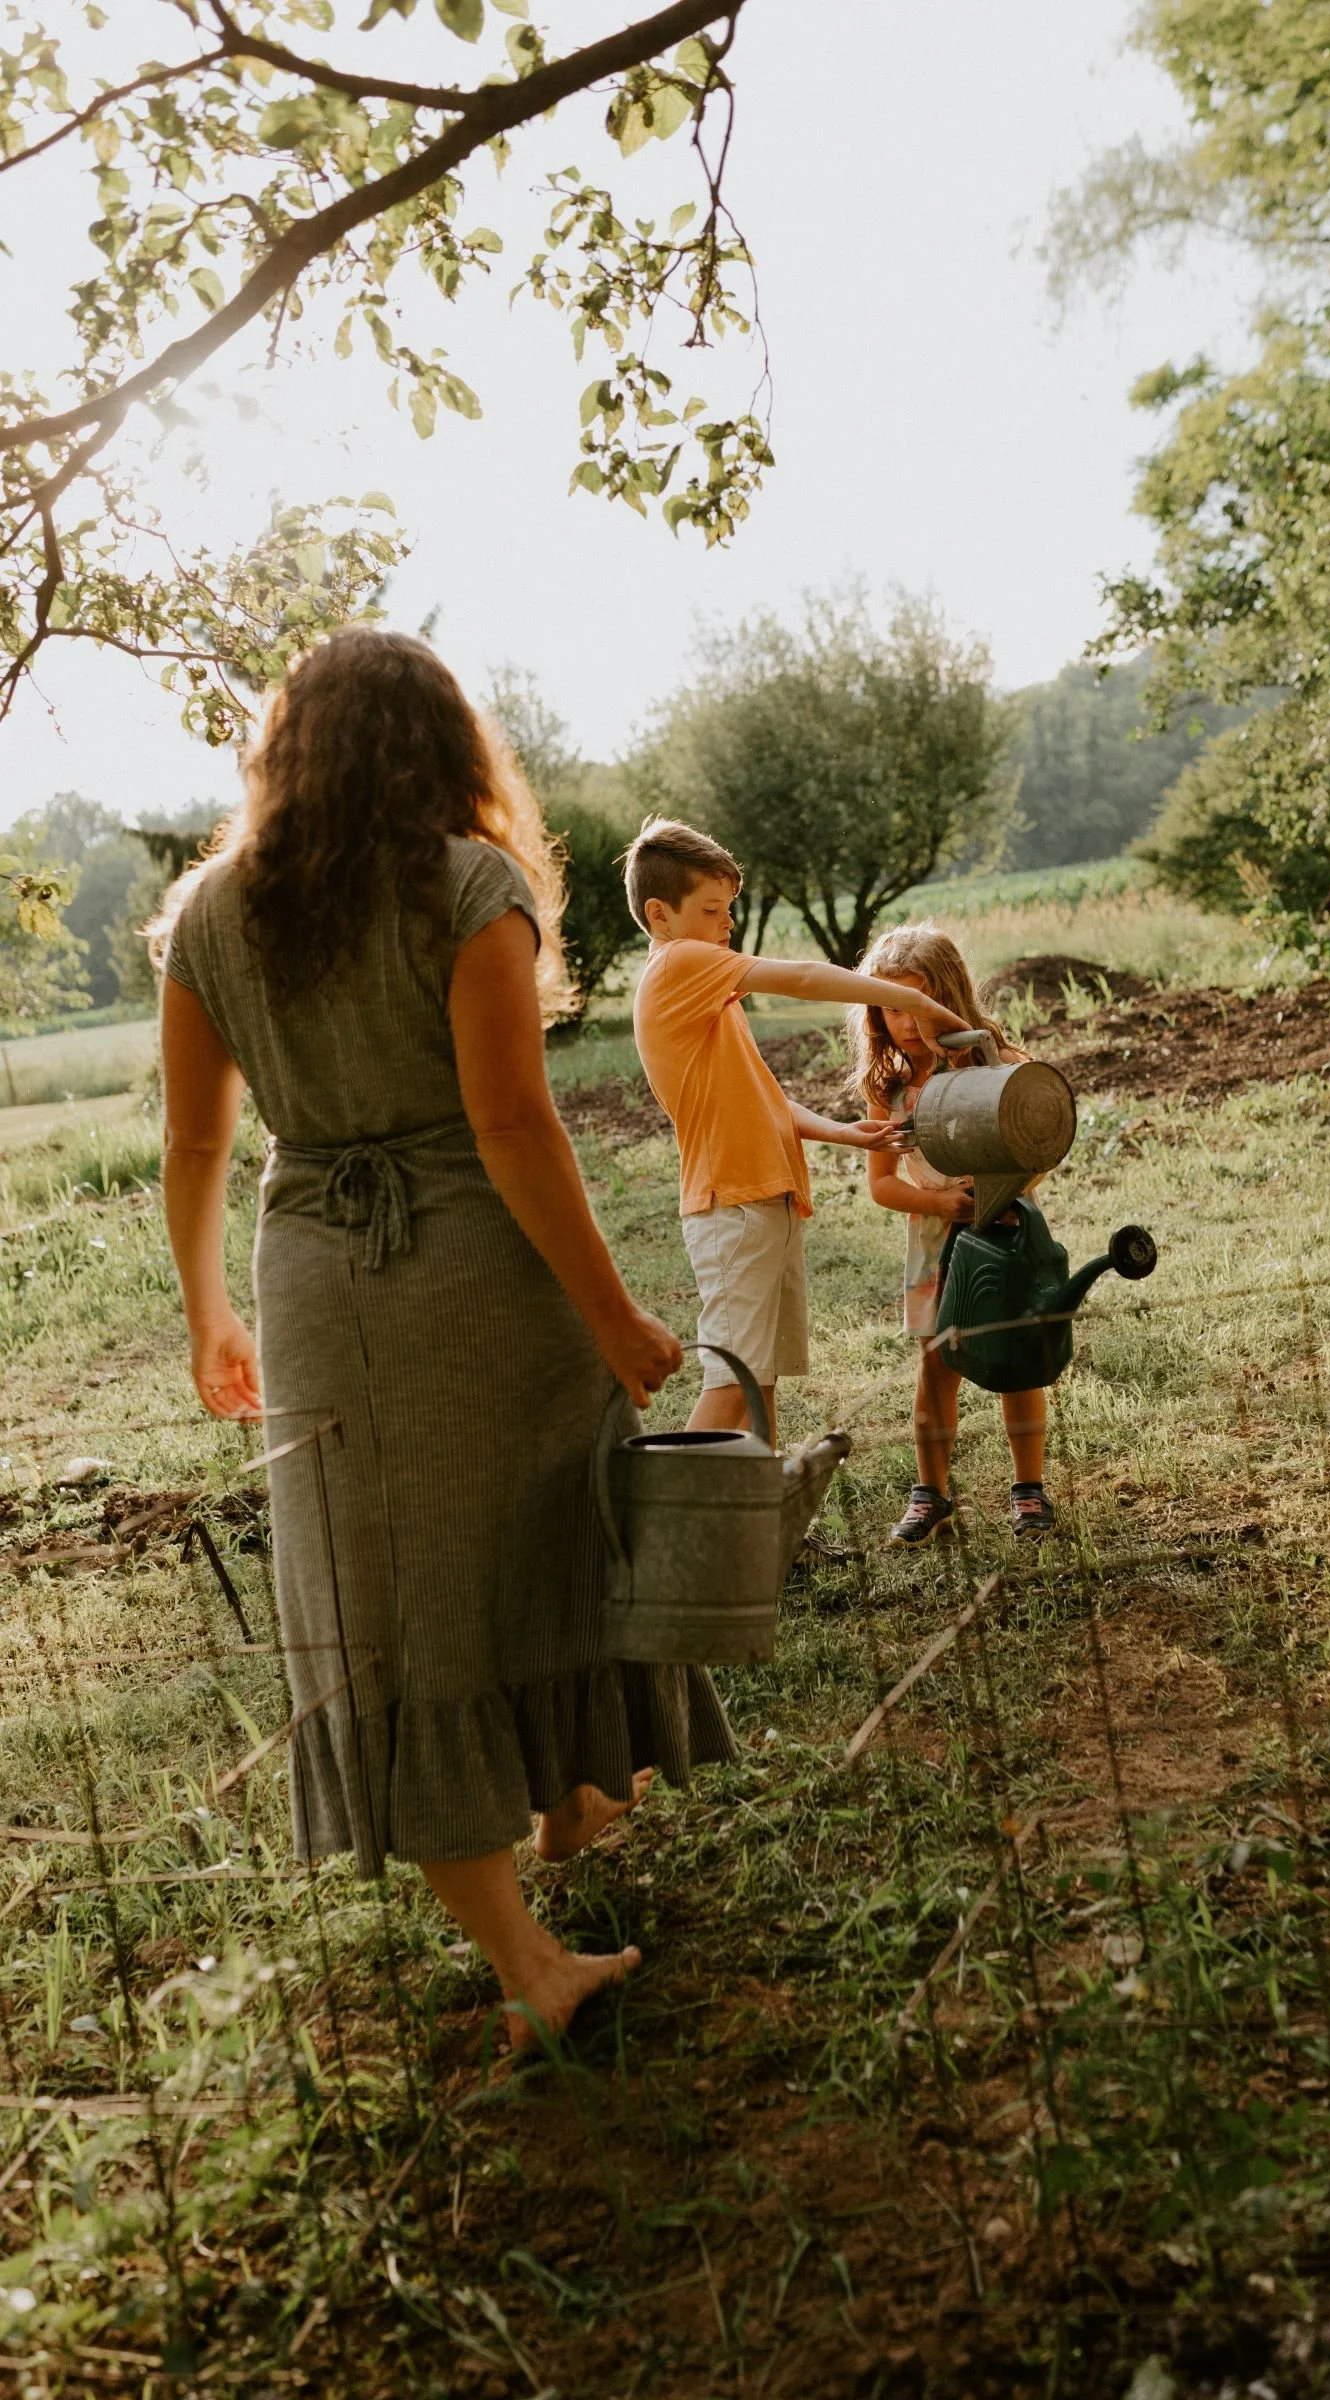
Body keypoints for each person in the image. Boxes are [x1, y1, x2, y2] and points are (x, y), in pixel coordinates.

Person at [155, 629, 739, 2049]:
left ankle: (556, 1838)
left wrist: (207, 1311)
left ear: (285, 751)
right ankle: (538, 1950)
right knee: (545, 1520)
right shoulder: (469, 887)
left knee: (392, 1601)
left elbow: (194, 1137)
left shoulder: (210, 916)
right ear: (446, 746)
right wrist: (614, 1315)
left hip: (315, 1279)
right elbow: (509, 1123)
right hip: (479, 1266)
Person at [624, 819, 971, 1446]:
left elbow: (766, 1099)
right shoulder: (678, 965)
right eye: (712, 909)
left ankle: (768, 1531)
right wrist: (914, 1001)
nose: (727, 924)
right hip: (731, 1204)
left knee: (759, 1381)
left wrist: (844, 1133)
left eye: (729, 909)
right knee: (732, 1382)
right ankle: (664, 1533)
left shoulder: (707, 994)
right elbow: (808, 978)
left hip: (764, 1198)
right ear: (660, 915)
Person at [852, 923, 1054, 1545]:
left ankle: (1028, 1491)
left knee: (1017, 1363)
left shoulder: (995, 1067)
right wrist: (939, 1200)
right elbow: (883, 1183)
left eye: (918, 1003)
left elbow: (1041, 1142)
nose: (906, 1022)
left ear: (950, 996)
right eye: (890, 1008)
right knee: (937, 1369)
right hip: (935, 1246)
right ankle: (932, 1495)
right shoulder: (890, 1091)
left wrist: (1000, 1193)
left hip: (1004, 1237)